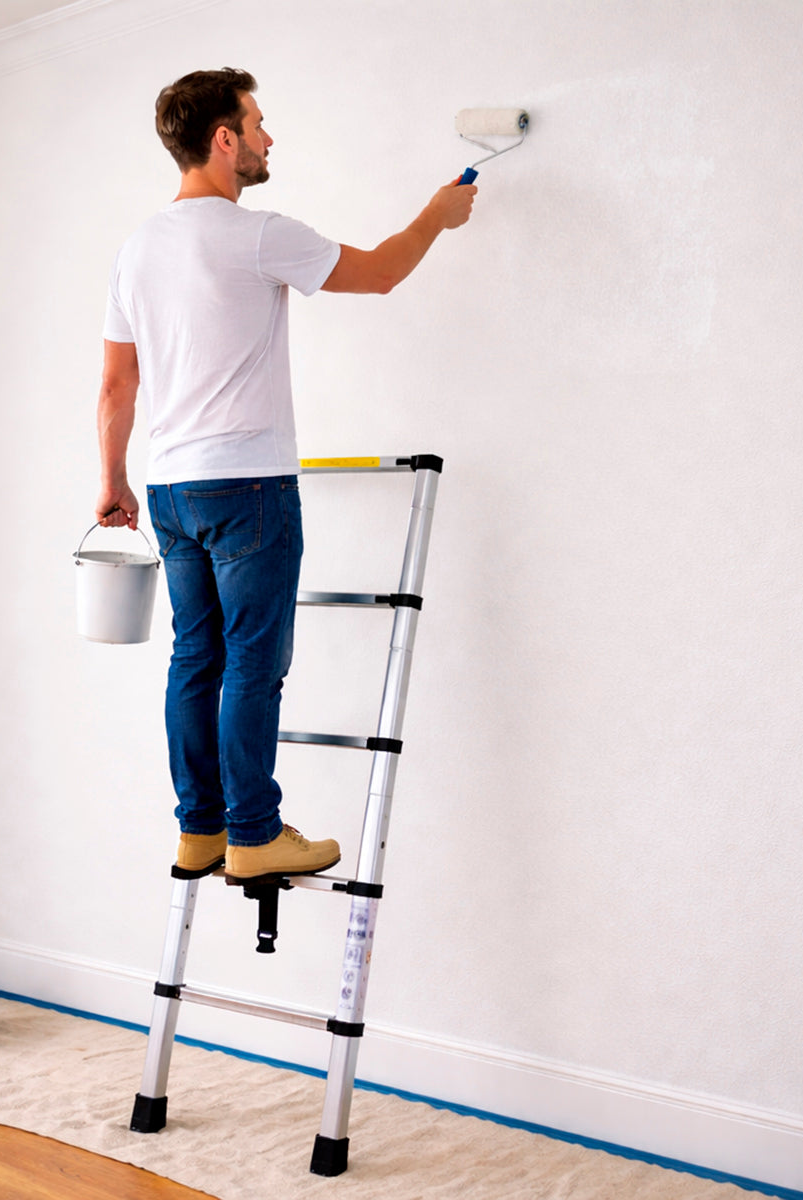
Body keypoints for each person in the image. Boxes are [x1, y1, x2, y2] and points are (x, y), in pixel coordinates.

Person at [94, 68, 475, 883]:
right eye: (259, 124)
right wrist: (438, 217)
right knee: (252, 663)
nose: (270, 138)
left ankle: (201, 830)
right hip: (250, 487)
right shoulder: (255, 233)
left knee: (196, 657)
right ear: (224, 139)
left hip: (170, 488)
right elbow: (379, 272)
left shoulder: (135, 251)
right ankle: (255, 832)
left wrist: (112, 479)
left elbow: (115, 386)